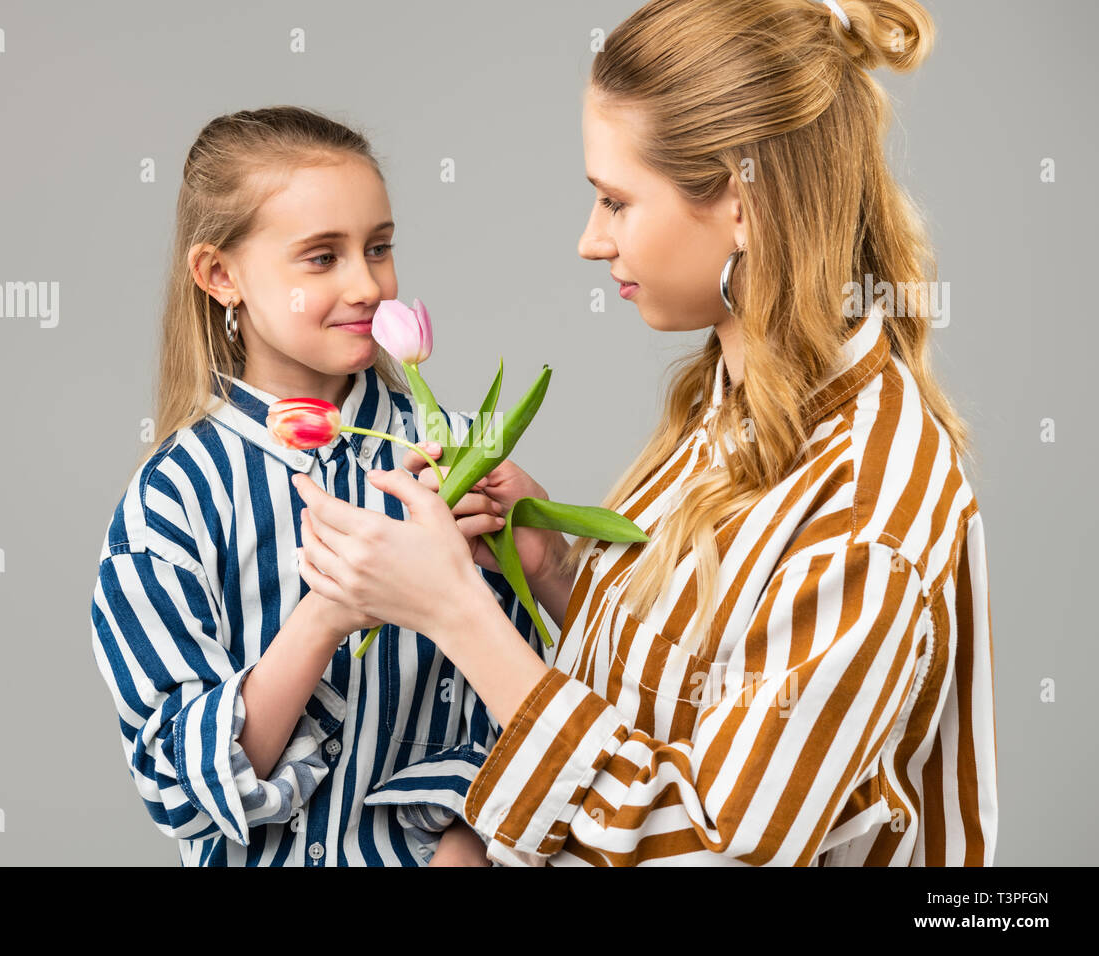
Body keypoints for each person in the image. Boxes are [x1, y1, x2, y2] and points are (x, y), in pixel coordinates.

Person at [293, 0, 997, 866]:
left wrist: (457, 615)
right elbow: (695, 698)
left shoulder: (863, 517)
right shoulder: (734, 399)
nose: (591, 241)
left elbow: (711, 849)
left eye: (615, 200)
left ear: (740, 203)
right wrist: (552, 567)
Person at [89, 106, 544, 866]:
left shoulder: (452, 460)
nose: (369, 284)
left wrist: (467, 842)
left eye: (380, 247)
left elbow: (528, 696)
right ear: (219, 275)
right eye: (321, 257)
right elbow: (179, 787)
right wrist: (329, 612)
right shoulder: (174, 500)